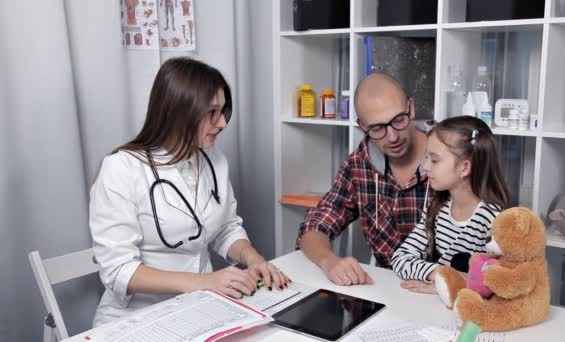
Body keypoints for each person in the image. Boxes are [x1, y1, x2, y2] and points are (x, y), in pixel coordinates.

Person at [90, 57, 289, 326]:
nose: (222, 123)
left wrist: (254, 260)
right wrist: (204, 282)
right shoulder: (121, 168)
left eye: (223, 112)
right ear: (180, 111)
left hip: (199, 306)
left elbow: (226, 229)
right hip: (137, 317)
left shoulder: (213, 158)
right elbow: (118, 271)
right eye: (212, 112)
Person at [297, 73, 429, 286]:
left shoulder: (455, 154)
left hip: (450, 294)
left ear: (411, 108)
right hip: (389, 291)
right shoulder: (359, 163)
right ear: (361, 126)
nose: (392, 137)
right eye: (377, 128)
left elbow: (494, 242)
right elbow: (317, 224)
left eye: (398, 120)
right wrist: (329, 261)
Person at [391, 116, 511, 294]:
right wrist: (441, 276)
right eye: (427, 158)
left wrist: (455, 285)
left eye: (434, 160)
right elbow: (400, 258)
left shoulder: (493, 219)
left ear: (464, 167)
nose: (425, 167)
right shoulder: (437, 208)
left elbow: (504, 283)